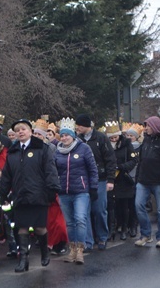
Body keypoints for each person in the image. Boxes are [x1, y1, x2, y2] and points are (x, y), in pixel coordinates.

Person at [0, 119, 60, 273]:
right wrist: (2, 193)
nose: (20, 132)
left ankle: (44, 252)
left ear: (30, 131)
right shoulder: (12, 152)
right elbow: (6, 176)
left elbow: (50, 171)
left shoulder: (42, 149)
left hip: (38, 195)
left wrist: (52, 190)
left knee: (39, 228)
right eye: (17, 130)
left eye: (23, 129)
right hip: (20, 195)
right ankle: (23, 260)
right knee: (22, 228)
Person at [54, 118, 98, 264]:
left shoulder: (84, 148)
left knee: (80, 219)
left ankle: (80, 249)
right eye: (62, 135)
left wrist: (93, 188)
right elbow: (53, 171)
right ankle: (72, 249)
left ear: (73, 135)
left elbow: (92, 169)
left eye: (67, 135)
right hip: (64, 192)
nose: (64, 138)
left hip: (81, 191)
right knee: (70, 222)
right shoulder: (57, 151)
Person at [75, 113, 116, 251]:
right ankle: (88, 241)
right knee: (84, 212)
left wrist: (110, 179)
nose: (77, 128)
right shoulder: (77, 140)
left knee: (99, 210)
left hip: (100, 179)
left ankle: (102, 237)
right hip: (83, 180)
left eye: (79, 125)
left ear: (86, 125)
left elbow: (110, 159)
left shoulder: (101, 138)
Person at [134, 116, 160, 248]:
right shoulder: (146, 139)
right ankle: (146, 234)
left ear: (155, 126)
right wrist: (138, 176)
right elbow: (141, 160)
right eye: (145, 126)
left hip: (159, 181)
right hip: (143, 180)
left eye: (148, 126)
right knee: (139, 206)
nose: (146, 128)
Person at [107, 123, 138, 241]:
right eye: (111, 138)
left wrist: (121, 167)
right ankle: (113, 228)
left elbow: (133, 160)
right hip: (111, 178)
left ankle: (125, 228)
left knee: (125, 205)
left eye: (115, 137)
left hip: (123, 178)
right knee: (112, 206)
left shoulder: (127, 144)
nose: (113, 140)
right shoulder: (107, 145)